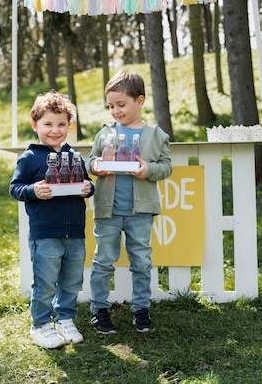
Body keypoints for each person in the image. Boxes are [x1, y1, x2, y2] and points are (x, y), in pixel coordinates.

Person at [87, 70, 172, 334]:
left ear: (140, 101)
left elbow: (166, 167)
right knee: (103, 260)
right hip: (108, 209)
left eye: (121, 105)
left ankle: (141, 310)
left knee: (142, 261)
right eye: (111, 105)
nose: (115, 111)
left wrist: (148, 170)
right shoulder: (104, 133)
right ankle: (99, 310)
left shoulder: (156, 135)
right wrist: (97, 166)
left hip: (141, 211)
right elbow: (91, 161)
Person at [9, 90, 95, 349]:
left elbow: (89, 182)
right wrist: (34, 190)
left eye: (61, 124)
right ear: (35, 125)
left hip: (75, 232)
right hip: (45, 232)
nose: (55, 130)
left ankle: (65, 319)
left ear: (69, 126)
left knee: (72, 279)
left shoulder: (75, 157)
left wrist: (88, 188)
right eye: (48, 124)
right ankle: (41, 325)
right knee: (45, 281)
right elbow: (15, 188)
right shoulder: (29, 157)